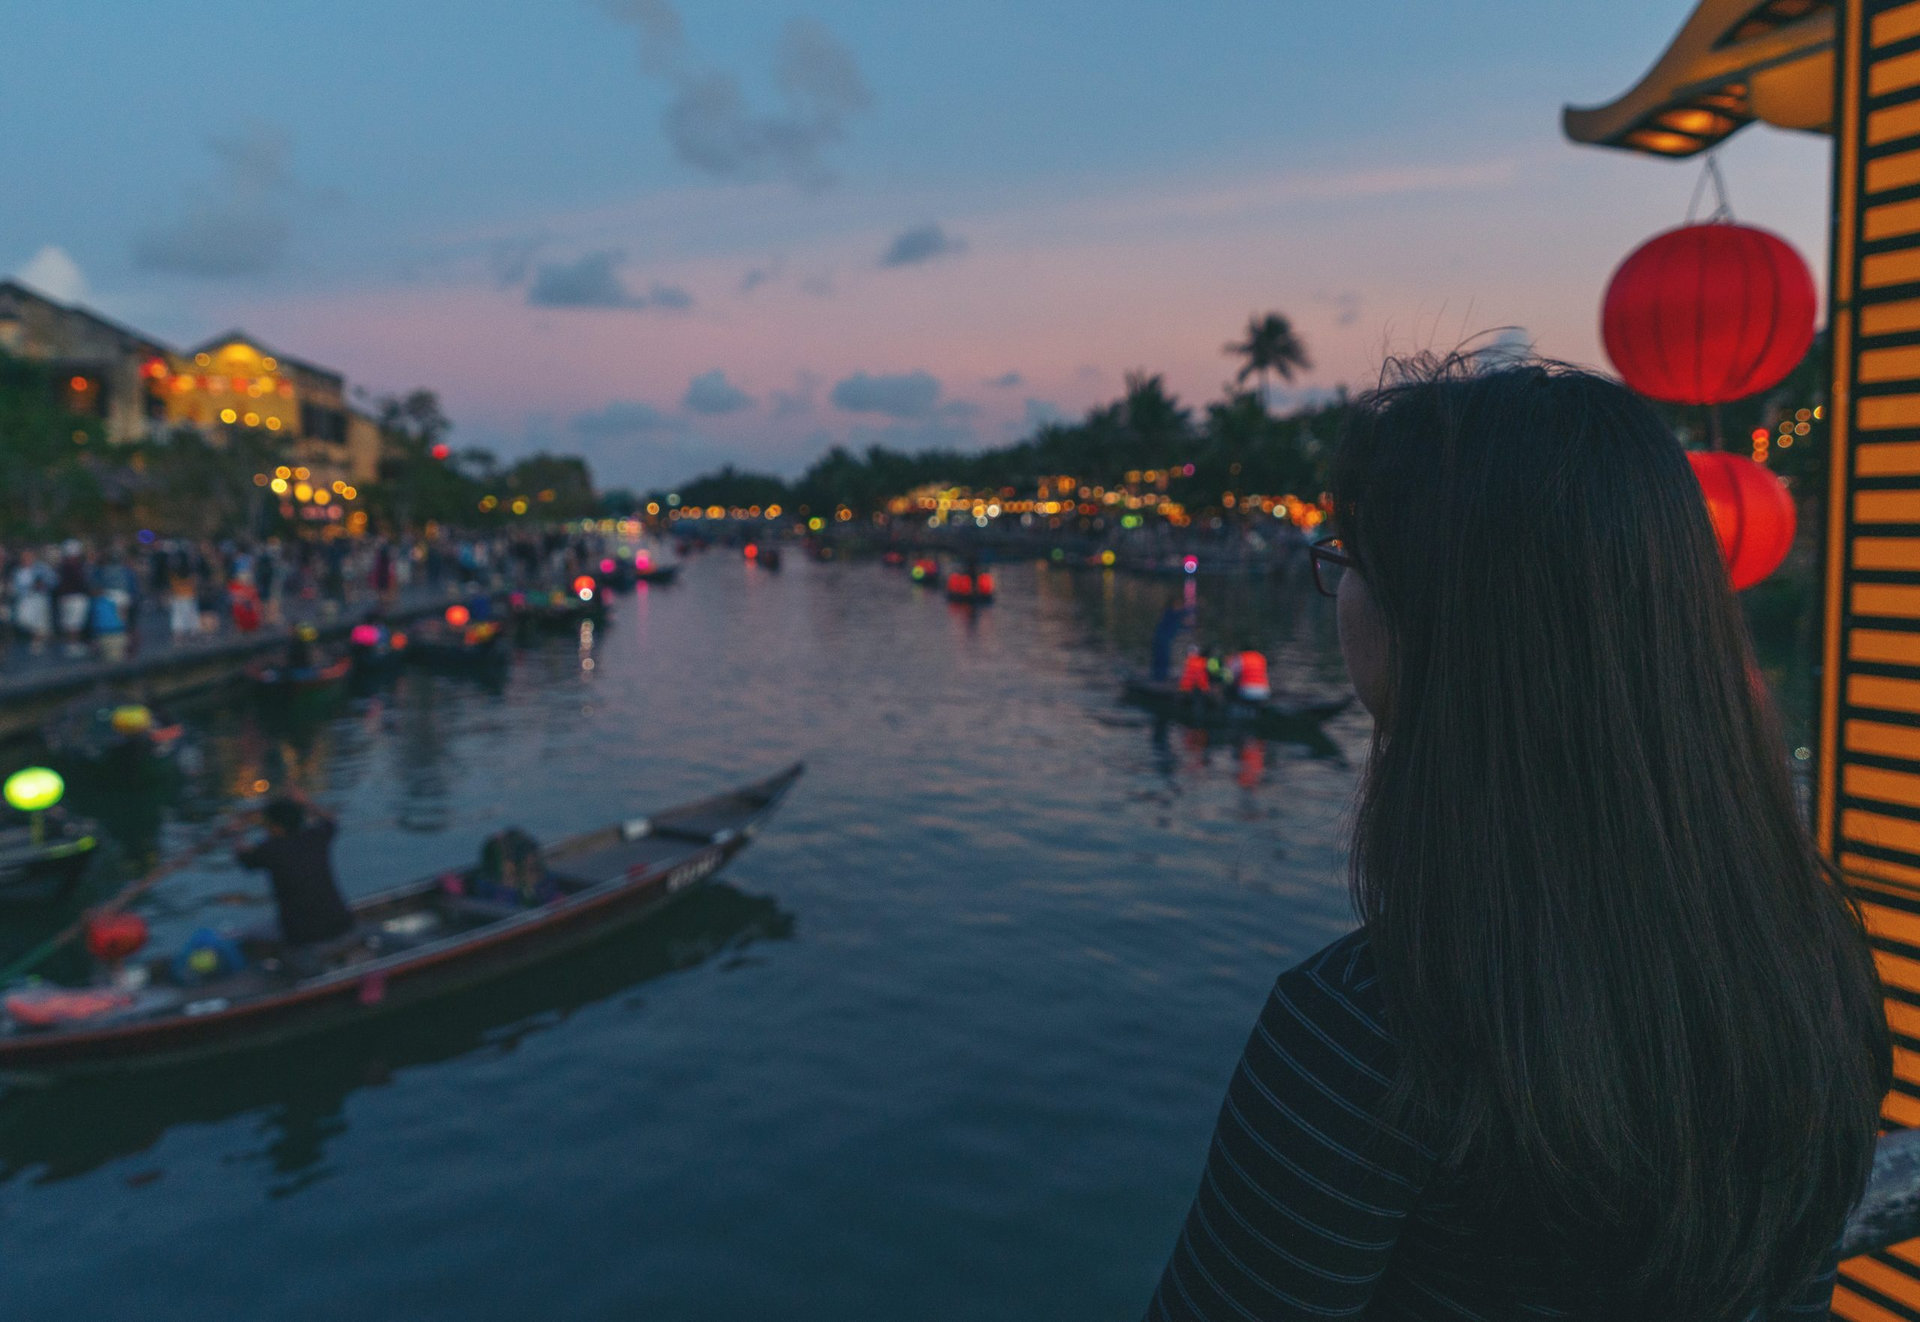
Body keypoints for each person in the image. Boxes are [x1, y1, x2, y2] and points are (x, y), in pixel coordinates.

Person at [1144, 359, 1892, 1322]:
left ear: (1437, 620)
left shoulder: (1372, 1034)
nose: (1340, 591)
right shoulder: (1817, 959)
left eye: (1350, 560)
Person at [233, 788, 355, 948]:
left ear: (276, 827)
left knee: (247, 938)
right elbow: (331, 821)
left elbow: (243, 856)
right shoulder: (316, 836)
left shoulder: (270, 849)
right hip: (342, 923)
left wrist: (237, 830)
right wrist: (307, 803)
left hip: (302, 936)